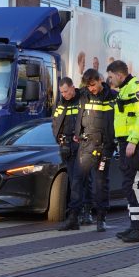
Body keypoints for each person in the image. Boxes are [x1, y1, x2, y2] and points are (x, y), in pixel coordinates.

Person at [58, 68, 117, 232]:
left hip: (104, 147)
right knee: (76, 181)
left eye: (93, 85)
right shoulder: (83, 94)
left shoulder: (112, 96)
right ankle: (73, 219)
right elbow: (68, 103)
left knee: (101, 183)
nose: (91, 89)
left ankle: (101, 218)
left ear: (100, 80)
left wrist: (114, 142)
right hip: (86, 146)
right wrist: (73, 135)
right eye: (88, 86)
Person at [107, 60, 139, 243]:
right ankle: (135, 226)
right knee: (129, 185)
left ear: (119, 75)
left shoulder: (138, 89)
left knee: (131, 186)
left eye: (111, 77)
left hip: (136, 143)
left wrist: (133, 141)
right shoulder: (124, 90)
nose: (110, 81)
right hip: (126, 142)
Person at [52, 77, 81, 209]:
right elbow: (55, 122)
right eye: (61, 92)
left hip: (80, 145)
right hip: (66, 146)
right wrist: (58, 138)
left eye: (65, 91)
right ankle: (75, 210)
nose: (64, 95)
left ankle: (85, 211)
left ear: (72, 88)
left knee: (81, 180)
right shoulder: (61, 103)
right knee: (72, 179)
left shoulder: (82, 101)